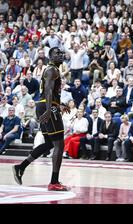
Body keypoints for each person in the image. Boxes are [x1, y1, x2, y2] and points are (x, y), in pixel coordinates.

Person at [13, 47, 71, 191]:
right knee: (59, 144)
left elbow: (49, 92)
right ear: (50, 56)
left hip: (47, 105)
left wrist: (59, 104)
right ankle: (54, 182)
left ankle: (21, 167)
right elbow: (48, 91)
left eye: (61, 53)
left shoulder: (52, 70)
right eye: (57, 53)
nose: (61, 55)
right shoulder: (52, 69)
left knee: (50, 143)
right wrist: (50, 109)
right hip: (47, 106)